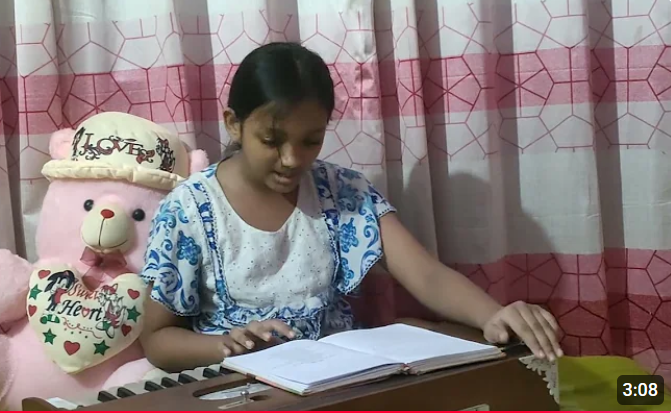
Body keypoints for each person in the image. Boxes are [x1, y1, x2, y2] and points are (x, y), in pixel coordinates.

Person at [138, 42, 563, 373]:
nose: (291, 159)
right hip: (241, 384)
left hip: (340, 379)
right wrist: (228, 345)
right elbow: (158, 340)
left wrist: (494, 315)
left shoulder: (341, 190)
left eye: (311, 140)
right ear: (234, 124)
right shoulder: (188, 210)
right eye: (271, 140)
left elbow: (426, 274)